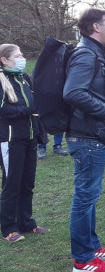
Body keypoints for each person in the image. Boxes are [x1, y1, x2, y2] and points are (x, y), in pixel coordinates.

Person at [64, 8, 105, 272]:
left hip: (93, 136)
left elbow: (92, 89)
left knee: (90, 195)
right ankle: (82, 260)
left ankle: (92, 247)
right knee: (85, 196)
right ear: (95, 27)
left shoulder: (93, 54)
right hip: (87, 136)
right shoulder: (85, 54)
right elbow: (73, 92)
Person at [0, 44, 49, 243]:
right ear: (5, 60)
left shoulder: (24, 78)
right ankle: (9, 228)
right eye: (18, 55)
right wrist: (28, 110)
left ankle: (27, 223)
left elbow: (35, 105)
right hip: (11, 141)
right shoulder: (2, 81)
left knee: (27, 184)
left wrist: (39, 133)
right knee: (12, 185)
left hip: (29, 139)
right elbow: (4, 111)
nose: (22, 58)